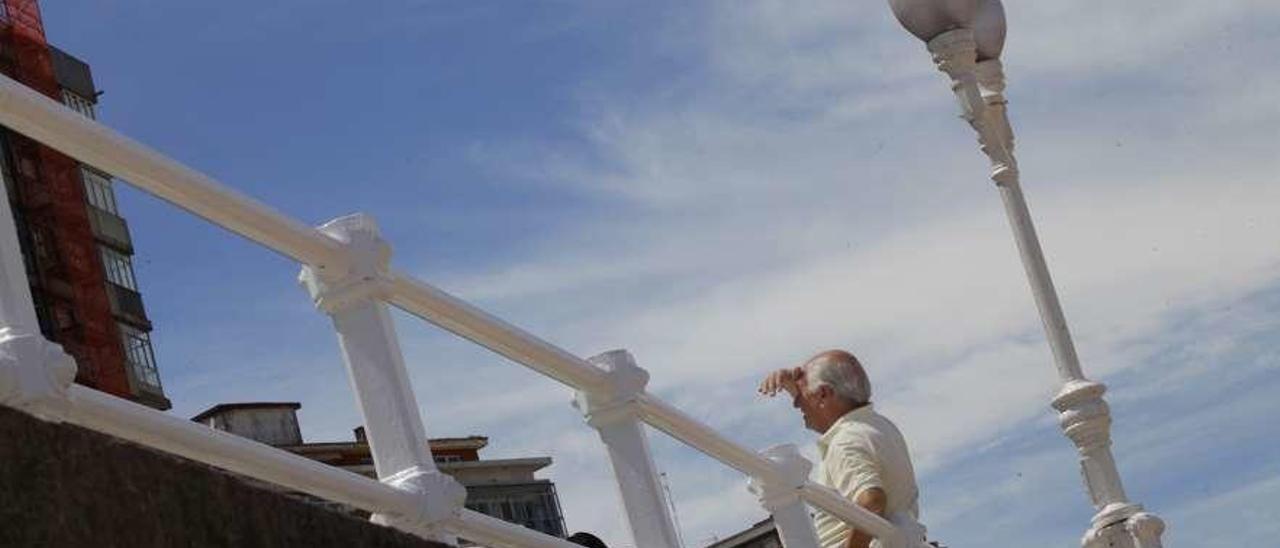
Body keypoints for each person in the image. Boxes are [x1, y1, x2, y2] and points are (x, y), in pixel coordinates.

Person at [758, 350, 925, 548]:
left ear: (823, 394)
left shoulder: (844, 441)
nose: (797, 404)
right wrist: (796, 390)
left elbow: (871, 501)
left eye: (801, 396)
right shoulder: (879, 427)